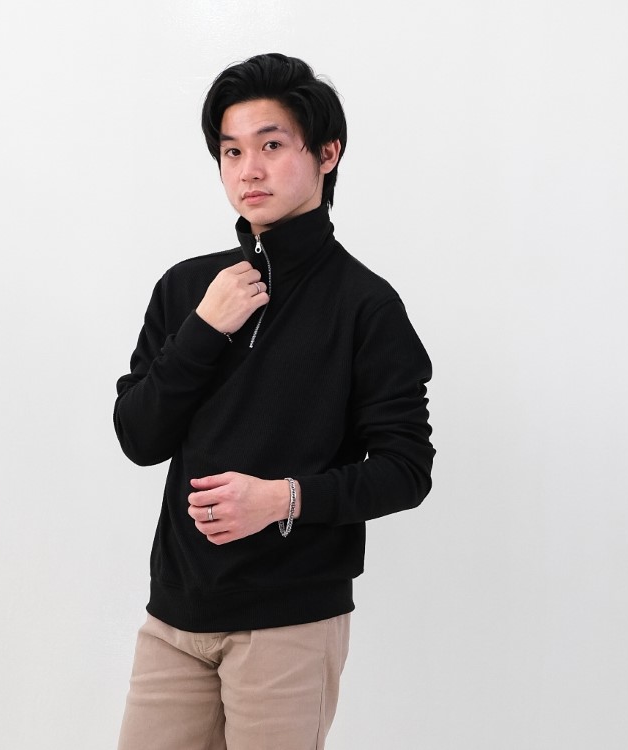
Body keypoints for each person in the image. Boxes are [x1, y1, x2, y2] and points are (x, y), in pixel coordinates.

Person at [113, 52, 435, 750]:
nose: (248, 170)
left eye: (271, 145)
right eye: (231, 151)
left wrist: (282, 499)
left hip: (290, 622)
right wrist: (205, 328)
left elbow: (407, 470)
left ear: (327, 153)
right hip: (175, 617)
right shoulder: (188, 288)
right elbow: (139, 437)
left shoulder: (366, 306)